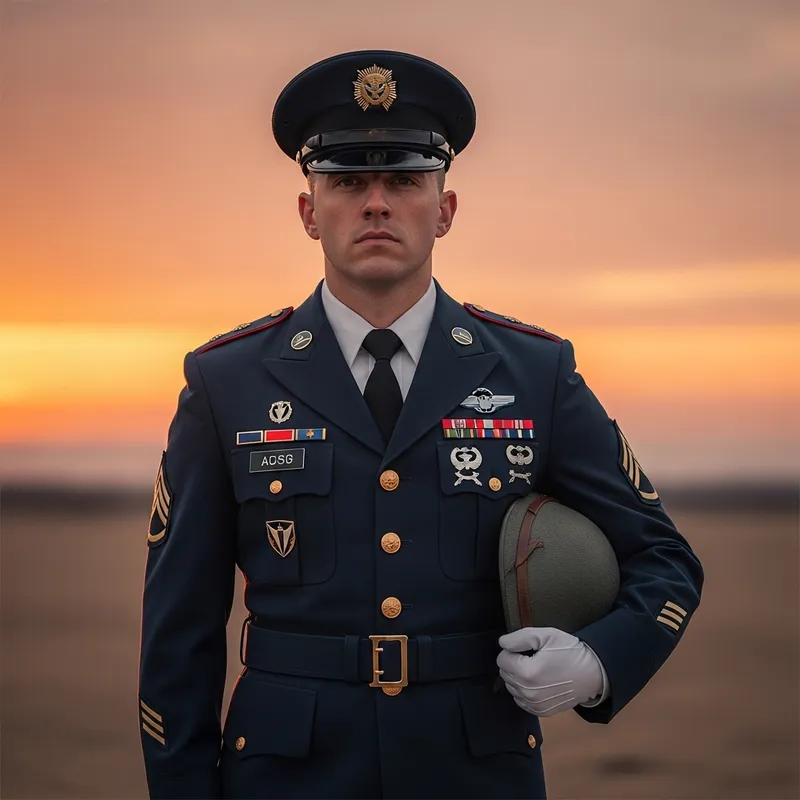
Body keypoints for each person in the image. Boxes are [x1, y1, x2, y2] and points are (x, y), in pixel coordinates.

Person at [137, 49, 704, 799]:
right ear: (310, 212)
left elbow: (665, 560)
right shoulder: (226, 381)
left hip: (473, 769)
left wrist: (598, 661)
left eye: (404, 179)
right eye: (346, 181)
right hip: (287, 775)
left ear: (445, 209)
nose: (376, 203)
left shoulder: (534, 373)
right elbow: (179, 639)